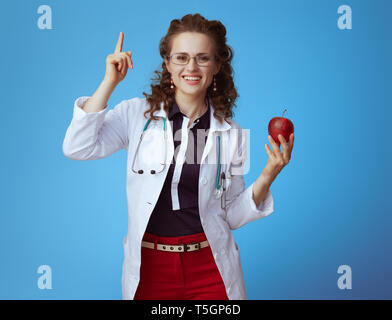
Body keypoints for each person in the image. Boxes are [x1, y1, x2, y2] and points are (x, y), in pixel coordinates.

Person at [63, 13, 294, 300]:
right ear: (167, 64)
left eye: (203, 58)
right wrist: (110, 82)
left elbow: (232, 216)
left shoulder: (230, 133)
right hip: (150, 268)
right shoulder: (137, 115)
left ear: (217, 66)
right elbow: (77, 146)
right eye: (181, 58)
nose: (192, 67)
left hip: (210, 267)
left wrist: (270, 173)